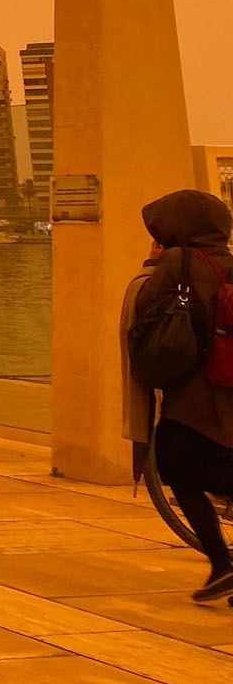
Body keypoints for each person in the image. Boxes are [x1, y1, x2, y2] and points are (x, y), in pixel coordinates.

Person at [124, 188, 233, 599]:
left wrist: (151, 265)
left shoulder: (178, 262)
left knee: (178, 469)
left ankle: (222, 563)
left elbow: (148, 310)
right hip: (229, 392)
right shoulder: (229, 261)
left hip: (193, 398)